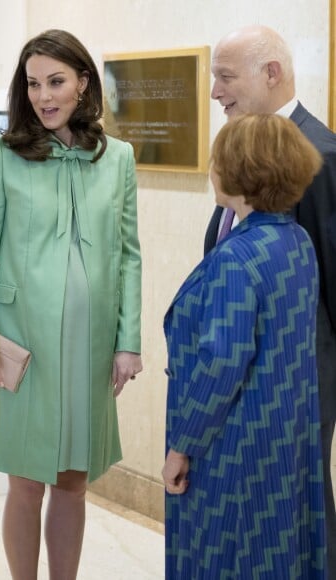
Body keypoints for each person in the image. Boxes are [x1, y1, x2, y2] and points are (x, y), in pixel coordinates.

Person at [0, 29, 142, 580]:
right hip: (23, 341)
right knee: (24, 480)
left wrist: (127, 340)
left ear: (83, 84)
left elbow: (130, 255)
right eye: (34, 83)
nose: (44, 95)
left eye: (56, 82)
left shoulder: (119, 159)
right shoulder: (4, 154)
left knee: (73, 481)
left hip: (89, 347)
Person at [163, 113, 326, 578]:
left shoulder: (236, 258)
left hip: (231, 447)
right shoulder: (297, 242)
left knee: (222, 559)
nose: (211, 169)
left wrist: (181, 447)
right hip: (283, 442)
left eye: (218, 159)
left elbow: (222, 365)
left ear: (240, 171)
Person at [206, 25, 336, 578]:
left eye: (225, 77)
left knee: (301, 514)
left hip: (298, 379)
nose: (214, 92)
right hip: (245, 381)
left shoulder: (322, 156)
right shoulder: (246, 150)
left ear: (272, 74)